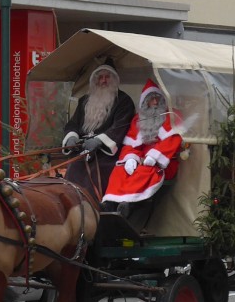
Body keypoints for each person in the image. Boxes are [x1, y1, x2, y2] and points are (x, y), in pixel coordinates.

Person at [102, 80, 182, 213]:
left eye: (158, 98)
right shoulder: (138, 120)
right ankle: (110, 202)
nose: (155, 103)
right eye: (151, 99)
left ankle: (128, 204)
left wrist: (154, 156)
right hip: (142, 158)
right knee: (120, 170)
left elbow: (173, 139)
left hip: (164, 161)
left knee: (144, 171)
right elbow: (130, 144)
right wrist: (130, 158)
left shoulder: (171, 116)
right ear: (145, 103)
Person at [61, 58, 135, 200]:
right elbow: (73, 123)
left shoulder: (124, 101)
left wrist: (99, 140)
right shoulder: (84, 100)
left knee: (97, 171)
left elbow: (120, 127)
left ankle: (94, 208)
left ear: (114, 80)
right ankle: (71, 205)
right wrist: (72, 136)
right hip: (83, 149)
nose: (103, 81)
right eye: (100, 77)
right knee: (74, 167)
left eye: (107, 77)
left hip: (107, 154)